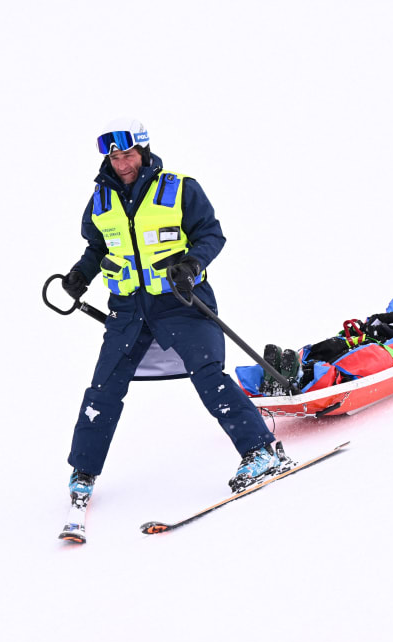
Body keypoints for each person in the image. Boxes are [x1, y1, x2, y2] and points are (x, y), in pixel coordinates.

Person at [59, 118, 283, 501]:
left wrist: (192, 263)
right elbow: (98, 248)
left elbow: (211, 233)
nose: (121, 163)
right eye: (114, 157)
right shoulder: (100, 199)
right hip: (128, 310)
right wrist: (81, 273)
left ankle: (261, 450)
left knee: (209, 374)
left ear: (143, 152)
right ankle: (83, 472)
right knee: (103, 388)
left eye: (128, 154)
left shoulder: (178, 189)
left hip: (180, 302)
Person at [259, 307, 393, 395]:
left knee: (356, 361)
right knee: (331, 347)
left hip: (383, 349)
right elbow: (374, 321)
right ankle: (286, 372)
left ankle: (303, 377)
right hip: (361, 340)